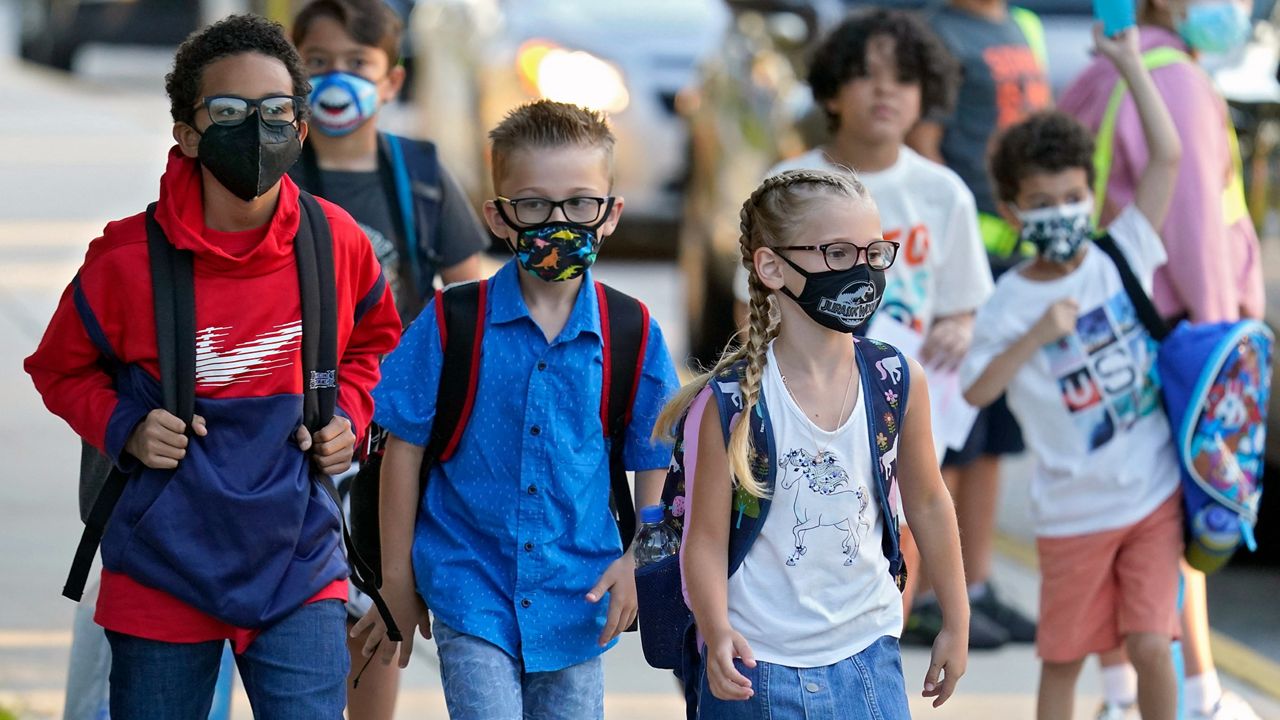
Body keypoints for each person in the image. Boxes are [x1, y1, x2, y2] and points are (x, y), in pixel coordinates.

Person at [24, 13, 401, 719]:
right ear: (186, 133)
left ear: (302, 127)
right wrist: (125, 427)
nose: (255, 128)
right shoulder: (127, 260)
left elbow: (377, 345)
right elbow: (59, 369)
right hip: (162, 573)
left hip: (299, 565)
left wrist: (348, 412)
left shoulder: (336, 244)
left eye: (276, 111)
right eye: (227, 111)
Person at [351, 100, 681, 719]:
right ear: (499, 216)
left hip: (578, 592)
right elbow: (402, 449)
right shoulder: (453, 323)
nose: (558, 221)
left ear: (610, 215)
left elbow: (653, 455)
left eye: (581, 203)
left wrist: (639, 559)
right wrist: (396, 578)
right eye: (533, 204)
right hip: (466, 579)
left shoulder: (631, 330)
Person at [672, 168, 969, 718]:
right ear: (771, 267)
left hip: (869, 658)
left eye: (873, 254)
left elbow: (928, 502)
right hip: (756, 668)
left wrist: (957, 619)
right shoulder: (732, 403)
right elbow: (705, 541)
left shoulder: (897, 379)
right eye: (836, 253)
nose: (861, 270)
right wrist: (716, 633)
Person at [960, 25, 1183, 720]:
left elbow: (1168, 158)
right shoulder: (1007, 302)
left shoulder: (1121, 256)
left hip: (1152, 494)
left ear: (1091, 194)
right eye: (1043, 203)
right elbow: (976, 390)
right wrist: (1033, 336)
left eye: (1073, 197)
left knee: (1152, 642)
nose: (1062, 214)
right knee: (1063, 658)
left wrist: (1129, 65)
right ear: (1013, 211)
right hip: (1073, 514)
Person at [1060, 4, 1263, 715]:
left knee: (1126, 517)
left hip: (1109, 325)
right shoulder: (1175, 80)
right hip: (1177, 333)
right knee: (1175, 523)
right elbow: (1196, 221)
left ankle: (1127, 693)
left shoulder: (1100, 71)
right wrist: (1222, 342)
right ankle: (1197, 694)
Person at [288, 2, 488, 715]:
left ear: (392, 80)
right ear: (291, 73)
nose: (337, 81)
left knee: (375, 595)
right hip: (295, 418)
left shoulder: (421, 172)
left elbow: (470, 293)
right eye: (317, 64)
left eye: (357, 66)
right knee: (302, 601)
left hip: (389, 423)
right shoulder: (274, 170)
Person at [905, 0, 1054, 649]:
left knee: (995, 433)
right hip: (969, 258)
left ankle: (979, 581)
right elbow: (927, 149)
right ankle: (933, 590)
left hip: (1019, 256)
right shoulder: (936, 34)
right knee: (954, 431)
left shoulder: (1023, 25)